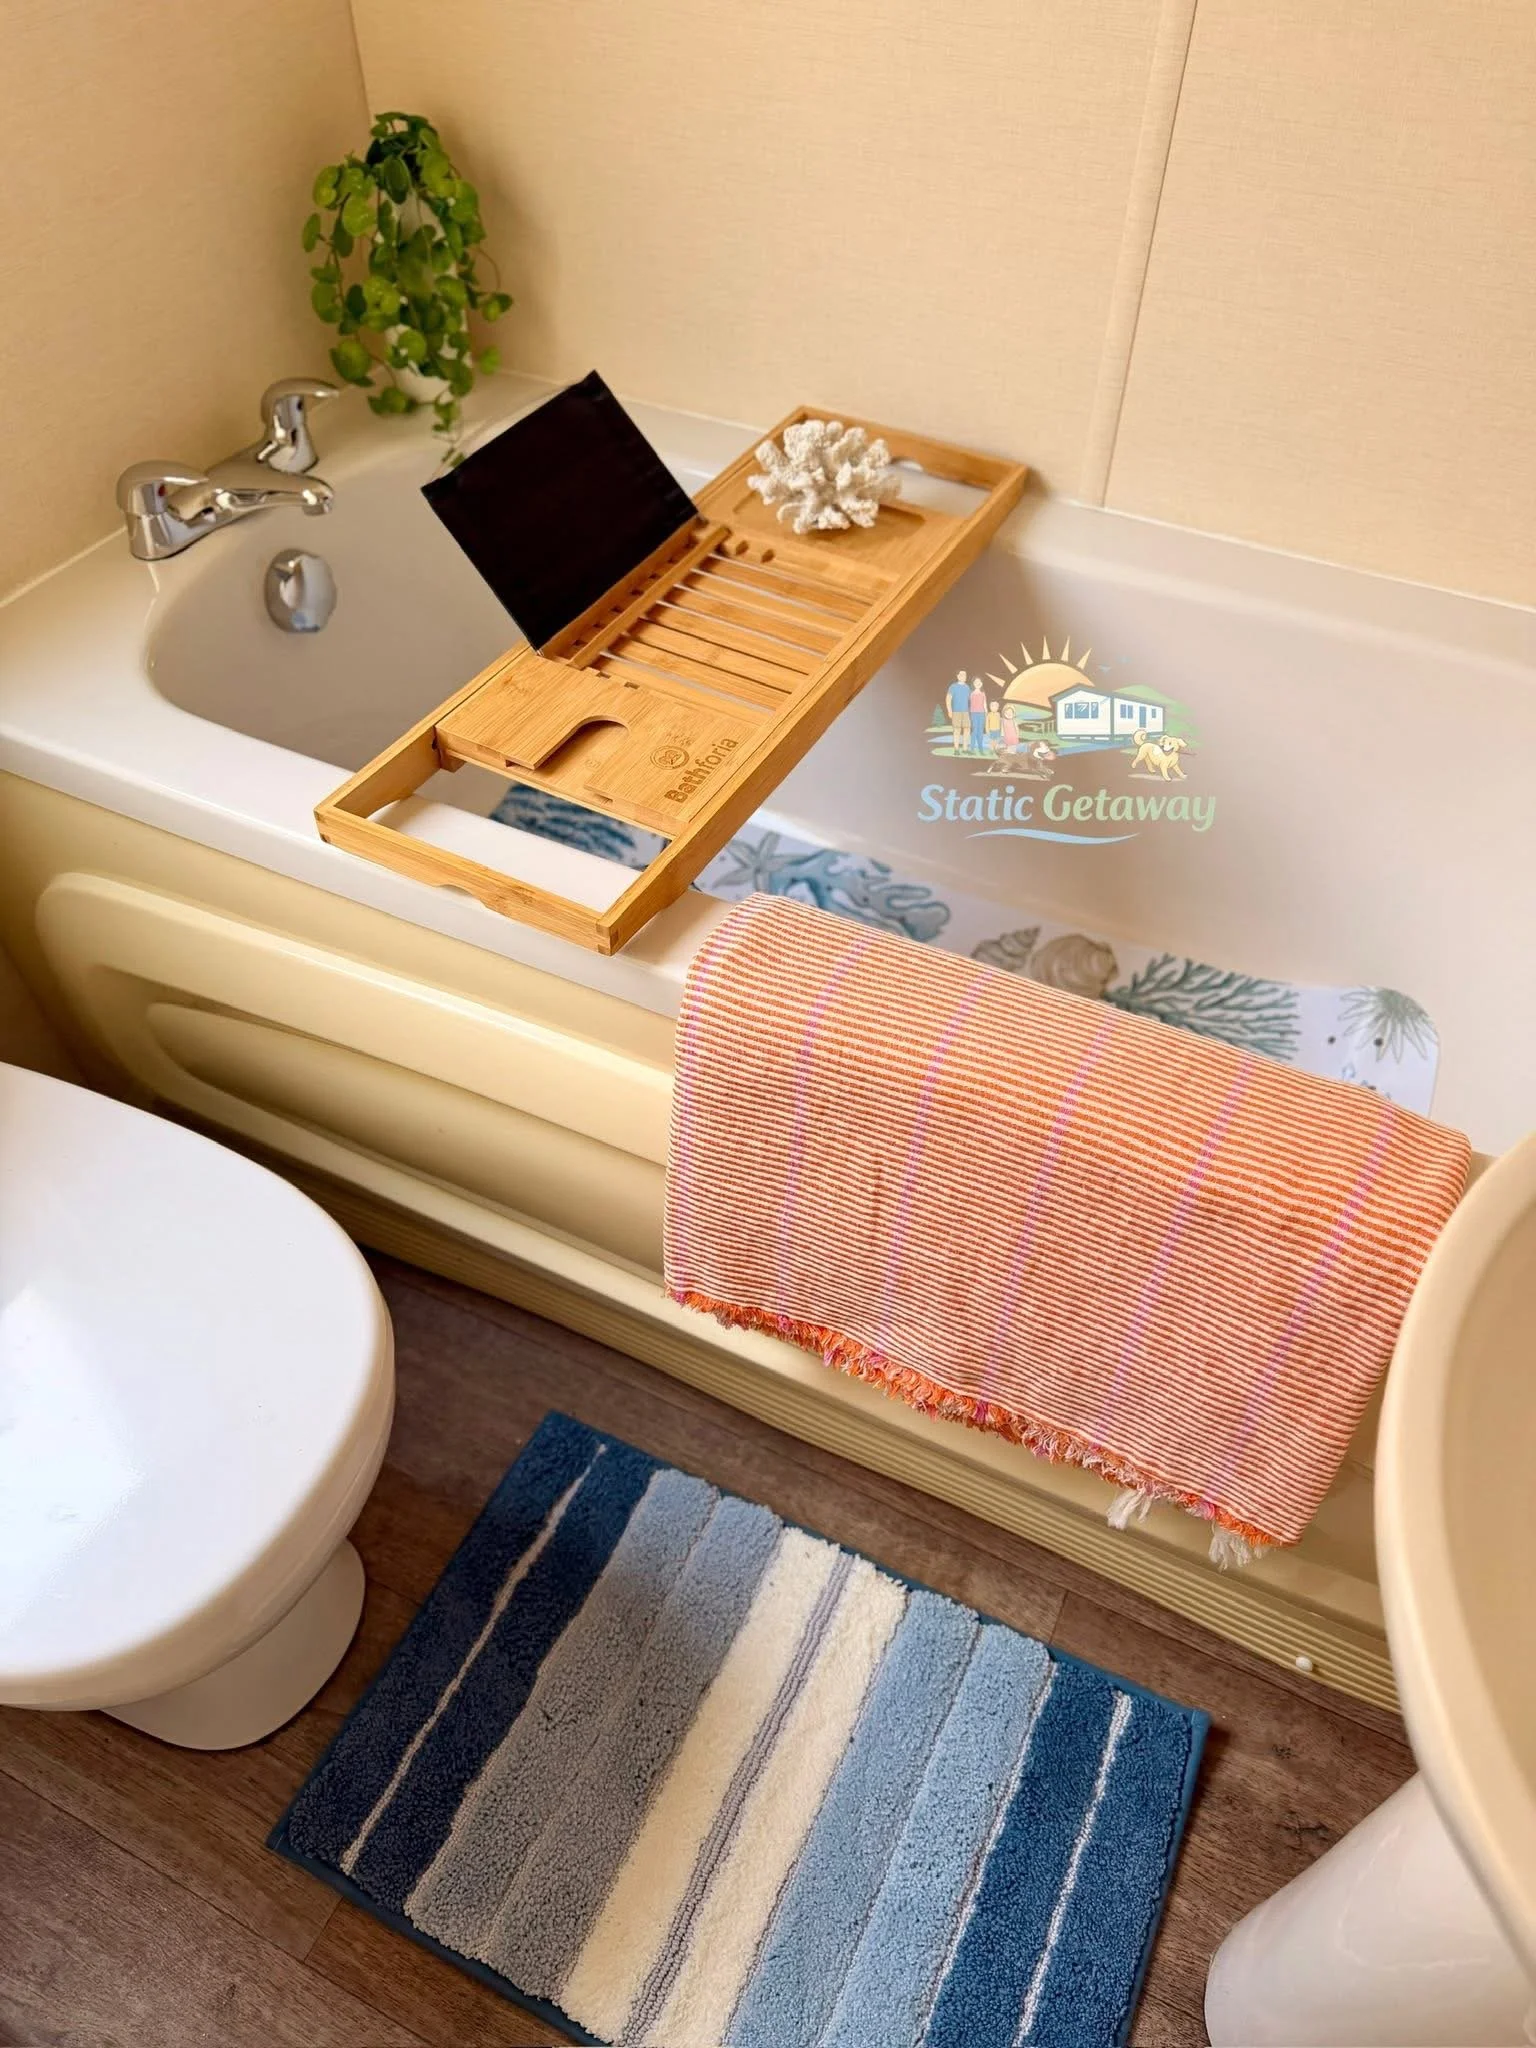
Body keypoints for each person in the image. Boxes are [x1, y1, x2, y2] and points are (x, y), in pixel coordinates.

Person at [945, 671, 970, 750]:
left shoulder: (967, 687)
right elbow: (948, 699)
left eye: (965, 675)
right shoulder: (953, 686)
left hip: (965, 712)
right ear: (957, 676)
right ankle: (956, 749)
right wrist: (949, 710)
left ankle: (965, 748)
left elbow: (969, 700)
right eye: (961, 675)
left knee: (967, 729)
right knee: (957, 730)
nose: (963, 676)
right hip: (956, 712)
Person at [969, 676, 988, 754]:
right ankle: (972, 749)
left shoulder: (983, 693)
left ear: (981, 683)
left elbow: (984, 704)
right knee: (975, 731)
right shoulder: (971, 693)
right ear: (973, 684)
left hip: (982, 714)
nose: (978, 683)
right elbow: (970, 704)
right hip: (974, 714)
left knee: (980, 731)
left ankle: (981, 749)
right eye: (976, 682)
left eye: (979, 682)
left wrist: (986, 714)